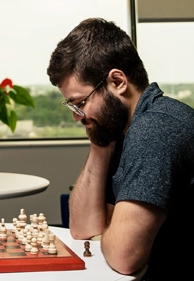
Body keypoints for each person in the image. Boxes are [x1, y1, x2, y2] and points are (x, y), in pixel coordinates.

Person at [47, 18, 194, 280]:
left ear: (117, 81)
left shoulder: (155, 129)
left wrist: (110, 226)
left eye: (80, 102)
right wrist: (99, 142)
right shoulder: (120, 129)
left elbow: (124, 256)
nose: (76, 116)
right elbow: (82, 228)